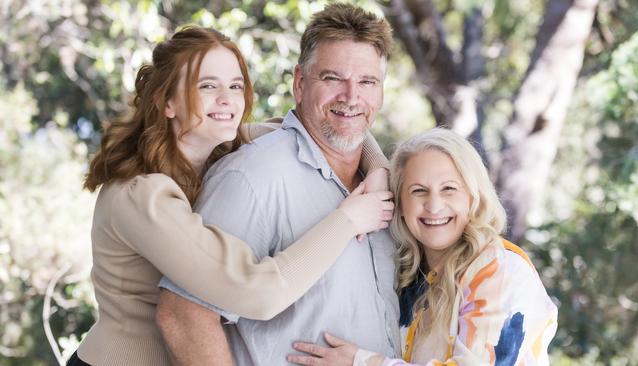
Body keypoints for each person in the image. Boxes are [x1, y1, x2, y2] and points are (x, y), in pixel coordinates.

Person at [67, 26, 395, 366]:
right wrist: (348, 220)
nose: (226, 99)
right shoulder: (142, 195)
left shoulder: (219, 145)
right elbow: (257, 292)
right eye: (207, 85)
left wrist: (378, 170)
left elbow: (339, 124)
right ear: (167, 101)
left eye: (235, 86)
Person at [156, 3, 401, 365]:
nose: (351, 97)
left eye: (367, 82)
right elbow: (182, 313)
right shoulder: (253, 176)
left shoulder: (384, 183)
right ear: (300, 83)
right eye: (333, 78)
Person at [288, 128, 558, 366]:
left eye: (449, 189)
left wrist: (361, 362)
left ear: (473, 197)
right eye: (418, 191)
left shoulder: (500, 271)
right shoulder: (409, 274)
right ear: (401, 204)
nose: (434, 206)